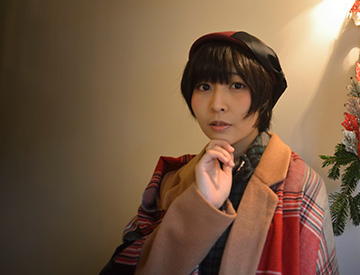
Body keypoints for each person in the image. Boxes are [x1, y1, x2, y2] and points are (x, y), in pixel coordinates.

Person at [101, 31, 338, 275]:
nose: (216, 104)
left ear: (264, 96)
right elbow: (127, 266)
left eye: (237, 85)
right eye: (204, 86)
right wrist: (200, 207)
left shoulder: (299, 184)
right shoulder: (172, 179)